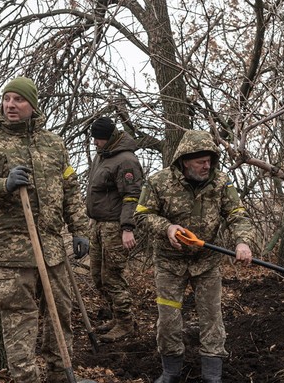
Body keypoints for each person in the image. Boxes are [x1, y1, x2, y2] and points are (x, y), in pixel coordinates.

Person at [0, 77, 91, 383]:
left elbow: (70, 189)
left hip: (52, 251)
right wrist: (3, 184)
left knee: (60, 318)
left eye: (18, 99)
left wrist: (80, 229)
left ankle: (62, 377)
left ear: (32, 105)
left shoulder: (53, 144)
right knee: (20, 325)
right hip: (10, 254)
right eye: (7, 99)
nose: (11, 105)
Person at [134, 130, 256, 383]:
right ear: (185, 160)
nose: (207, 166)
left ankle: (212, 375)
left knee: (211, 318)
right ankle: (171, 371)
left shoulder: (221, 183)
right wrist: (166, 227)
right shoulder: (159, 182)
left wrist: (243, 242)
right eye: (201, 161)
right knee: (168, 319)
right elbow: (142, 215)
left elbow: (237, 214)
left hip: (207, 263)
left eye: (210, 160)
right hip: (169, 264)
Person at [85, 116, 144, 342]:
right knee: (98, 277)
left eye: (98, 139)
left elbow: (132, 196)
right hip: (99, 224)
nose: (95, 143)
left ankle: (126, 323)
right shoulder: (103, 156)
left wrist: (127, 227)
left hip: (115, 226)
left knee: (113, 277)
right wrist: (93, 217)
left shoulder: (126, 160)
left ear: (108, 137)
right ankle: (117, 317)